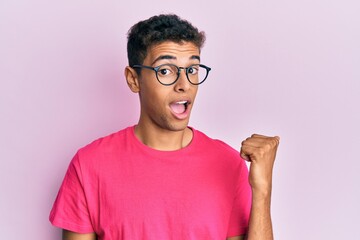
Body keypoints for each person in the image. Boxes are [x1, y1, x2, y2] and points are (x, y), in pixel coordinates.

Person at [49, 14, 280, 240]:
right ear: (134, 79)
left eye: (191, 70)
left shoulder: (229, 163)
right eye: (165, 71)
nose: (184, 85)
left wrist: (262, 191)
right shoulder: (89, 166)